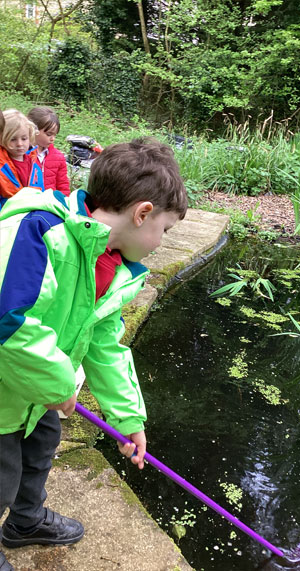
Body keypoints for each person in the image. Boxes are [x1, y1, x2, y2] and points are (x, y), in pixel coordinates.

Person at [0, 137, 188, 571]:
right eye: (166, 229)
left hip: (32, 388)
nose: (162, 242)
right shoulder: (38, 231)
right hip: (7, 385)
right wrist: (61, 386)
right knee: (2, 478)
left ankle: (25, 523)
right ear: (142, 213)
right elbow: (9, 322)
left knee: (44, 442)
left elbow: (104, 344)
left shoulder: (115, 267)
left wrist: (127, 419)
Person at [0, 109, 42, 209]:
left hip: (31, 211)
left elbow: (40, 189)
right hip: (7, 214)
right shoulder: (2, 165)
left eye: (24, 138)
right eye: (13, 139)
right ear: (2, 138)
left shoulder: (34, 162)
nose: (19, 144)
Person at [27, 106, 70, 196]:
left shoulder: (58, 157)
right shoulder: (23, 155)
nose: (52, 139)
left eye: (55, 135)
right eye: (49, 134)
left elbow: (63, 186)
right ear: (33, 129)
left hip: (51, 204)